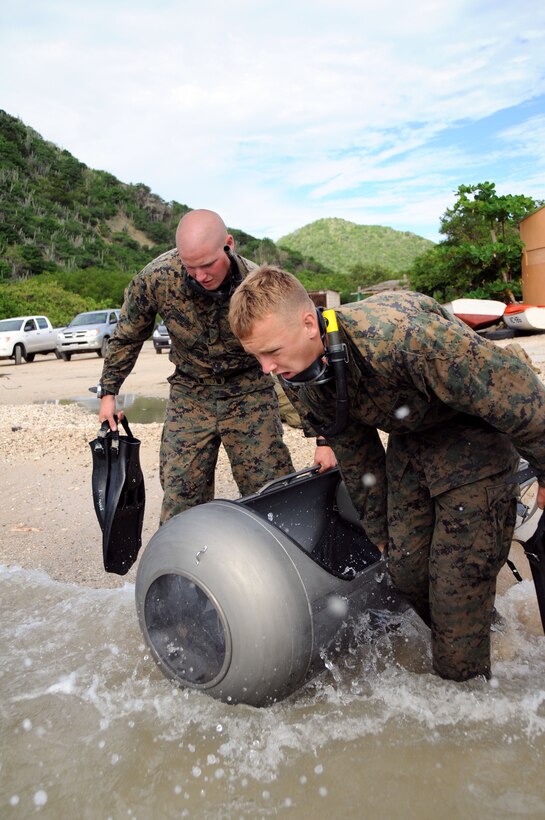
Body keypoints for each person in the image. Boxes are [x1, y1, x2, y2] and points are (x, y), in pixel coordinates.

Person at [229, 264, 545, 682]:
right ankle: (480, 631)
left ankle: (464, 684)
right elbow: (353, 449)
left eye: (271, 352)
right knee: (406, 570)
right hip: (411, 436)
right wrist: (379, 529)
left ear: (309, 324)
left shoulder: (403, 340)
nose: (267, 368)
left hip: (473, 434)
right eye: (258, 357)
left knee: (454, 590)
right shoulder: (295, 368)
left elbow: (516, 394)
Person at [98, 210, 334, 523]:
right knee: (182, 494)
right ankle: (182, 566)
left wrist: (324, 438)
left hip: (249, 391)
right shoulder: (157, 278)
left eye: (208, 265)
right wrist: (108, 394)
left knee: (271, 490)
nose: (201, 276)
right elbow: (127, 336)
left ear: (229, 245)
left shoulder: (256, 286)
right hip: (190, 393)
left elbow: (294, 357)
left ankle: (282, 562)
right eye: (190, 267)